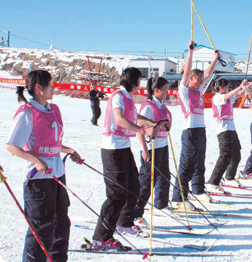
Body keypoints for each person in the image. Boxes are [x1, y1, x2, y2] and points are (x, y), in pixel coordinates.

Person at [6, 70, 84, 262]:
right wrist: (35, 160)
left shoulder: (53, 109)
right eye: (50, 85)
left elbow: (52, 143)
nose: (53, 88)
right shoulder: (27, 113)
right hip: (38, 179)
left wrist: (69, 150)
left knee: (61, 224)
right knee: (41, 227)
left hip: (57, 174)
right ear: (39, 88)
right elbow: (12, 146)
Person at [92, 67, 159, 250]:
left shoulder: (128, 97)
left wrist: (152, 123)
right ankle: (101, 237)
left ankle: (124, 222)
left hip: (123, 147)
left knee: (133, 187)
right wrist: (143, 130)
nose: (141, 83)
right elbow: (120, 119)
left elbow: (133, 116)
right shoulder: (118, 96)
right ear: (134, 80)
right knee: (116, 195)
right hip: (113, 148)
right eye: (140, 79)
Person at [171, 40, 220, 209]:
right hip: (190, 130)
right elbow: (185, 73)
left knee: (200, 161)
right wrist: (190, 52)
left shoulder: (199, 90)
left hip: (201, 129)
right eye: (197, 80)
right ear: (191, 79)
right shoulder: (184, 90)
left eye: (201, 80)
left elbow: (208, 73)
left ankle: (198, 190)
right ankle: (178, 198)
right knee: (187, 164)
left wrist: (215, 58)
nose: (200, 82)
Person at [133, 77, 174, 224]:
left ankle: (161, 204)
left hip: (162, 145)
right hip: (151, 147)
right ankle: (135, 213)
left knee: (164, 177)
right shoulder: (148, 106)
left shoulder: (162, 105)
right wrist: (144, 150)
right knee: (146, 182)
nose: (167, 93)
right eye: (164, 90)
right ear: (155, 90)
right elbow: (139, 127)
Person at [207, 78, 252, 191]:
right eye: (226, 87)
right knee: (225, 156)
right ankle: (212, 182)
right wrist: (240, 85)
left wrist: (249, 84)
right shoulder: (217, 97)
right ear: (220, 88)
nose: (228, 89)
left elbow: (238, 94)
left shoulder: (228, 96)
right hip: (223, 130)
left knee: (236, 154)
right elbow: (228, 96)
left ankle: (229, 177)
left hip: (231, 129)